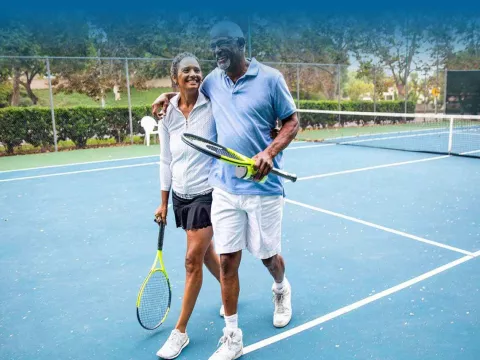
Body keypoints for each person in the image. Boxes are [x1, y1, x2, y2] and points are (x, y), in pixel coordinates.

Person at [152, 21, 299, 360]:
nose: (217, 50)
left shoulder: (271, 79)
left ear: (241, 43)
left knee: (267, 258)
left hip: (264, 189)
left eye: (224, 44)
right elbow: (186, 92)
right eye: (213, 45)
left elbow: (292, 121)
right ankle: (232, 336)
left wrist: (269, 152)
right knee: (228, 262)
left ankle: (280, 288)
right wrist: (167, 95)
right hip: (224, 188)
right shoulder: (213, 82)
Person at [154, 52, 224, 359]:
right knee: (206, 252)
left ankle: (179, 332)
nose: (194, 74)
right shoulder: (166, 113)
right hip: (181, 195)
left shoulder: (212, 104)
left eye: (197, 70)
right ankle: (229, 286)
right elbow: (165, 159)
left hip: (207, 192)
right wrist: (163, 202)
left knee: (191, 260)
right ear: (175, 77)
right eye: (187, 71)